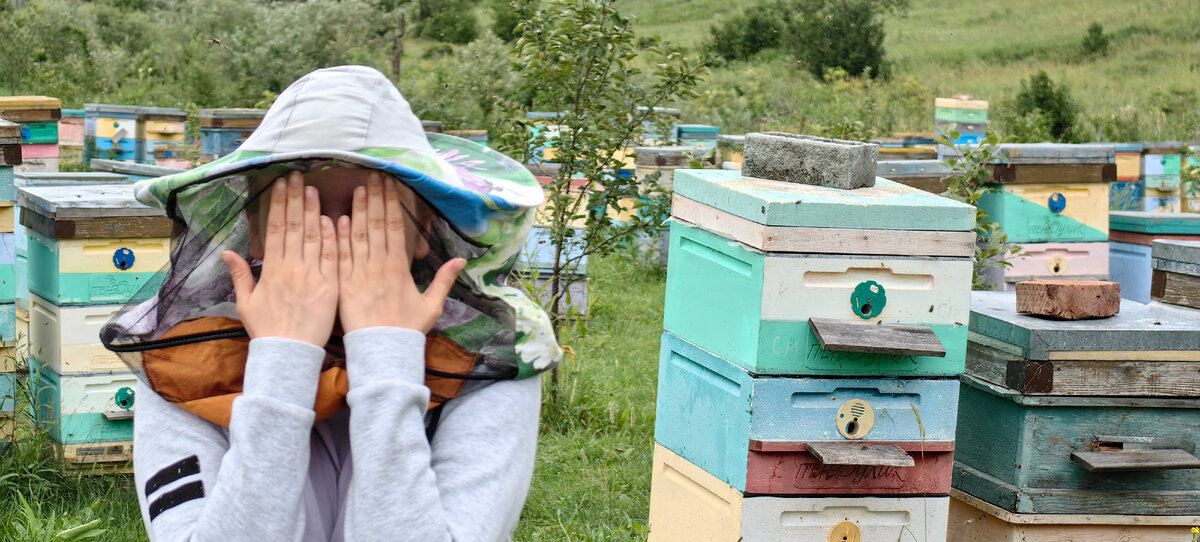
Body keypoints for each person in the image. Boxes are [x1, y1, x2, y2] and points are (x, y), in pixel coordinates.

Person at [102, 66, 561, 541]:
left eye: (368, 215)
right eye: (304, 216)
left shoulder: (488, 361)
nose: (336, 242)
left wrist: (386, 352)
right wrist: (283, 356)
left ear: (424, 230)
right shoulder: (183, 359)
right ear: (257, 233)